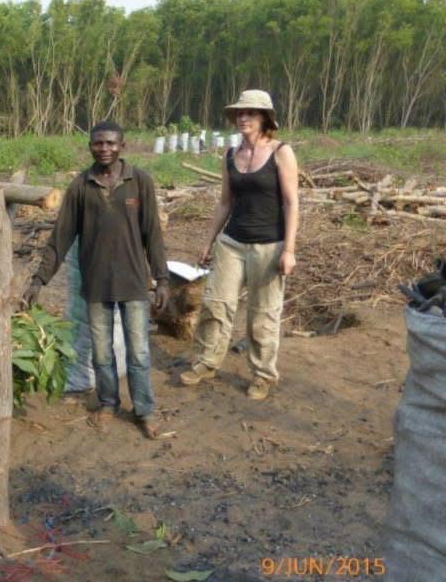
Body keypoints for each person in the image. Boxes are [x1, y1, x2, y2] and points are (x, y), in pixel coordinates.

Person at [23, 121, 169, 438]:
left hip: (133, 283)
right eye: (98, 143)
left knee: (139, 353)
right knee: (102, 353)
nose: (104, 149)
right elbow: (59, 239)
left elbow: (153, 234)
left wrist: (162, 278)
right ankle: (108, 403)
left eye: (111, 143)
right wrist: (39, 280)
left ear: (123, 146)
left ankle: (145, 410)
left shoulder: (139, 182)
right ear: (90, 146)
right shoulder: (80, 186)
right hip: (97, 285)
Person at [178, 90, 299, 400]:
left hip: (268, 246)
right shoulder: (231, 154)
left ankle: (263, 375)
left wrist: (289, 250)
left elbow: (291, 203)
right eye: (239, 113)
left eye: (251, 113)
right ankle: (207, 362)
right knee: (215, 303)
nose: (243, 118)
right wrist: (208, 241)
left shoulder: (281, 152)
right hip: (232, 242)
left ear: (264, 118)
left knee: (263, 313)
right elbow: (224, 203)